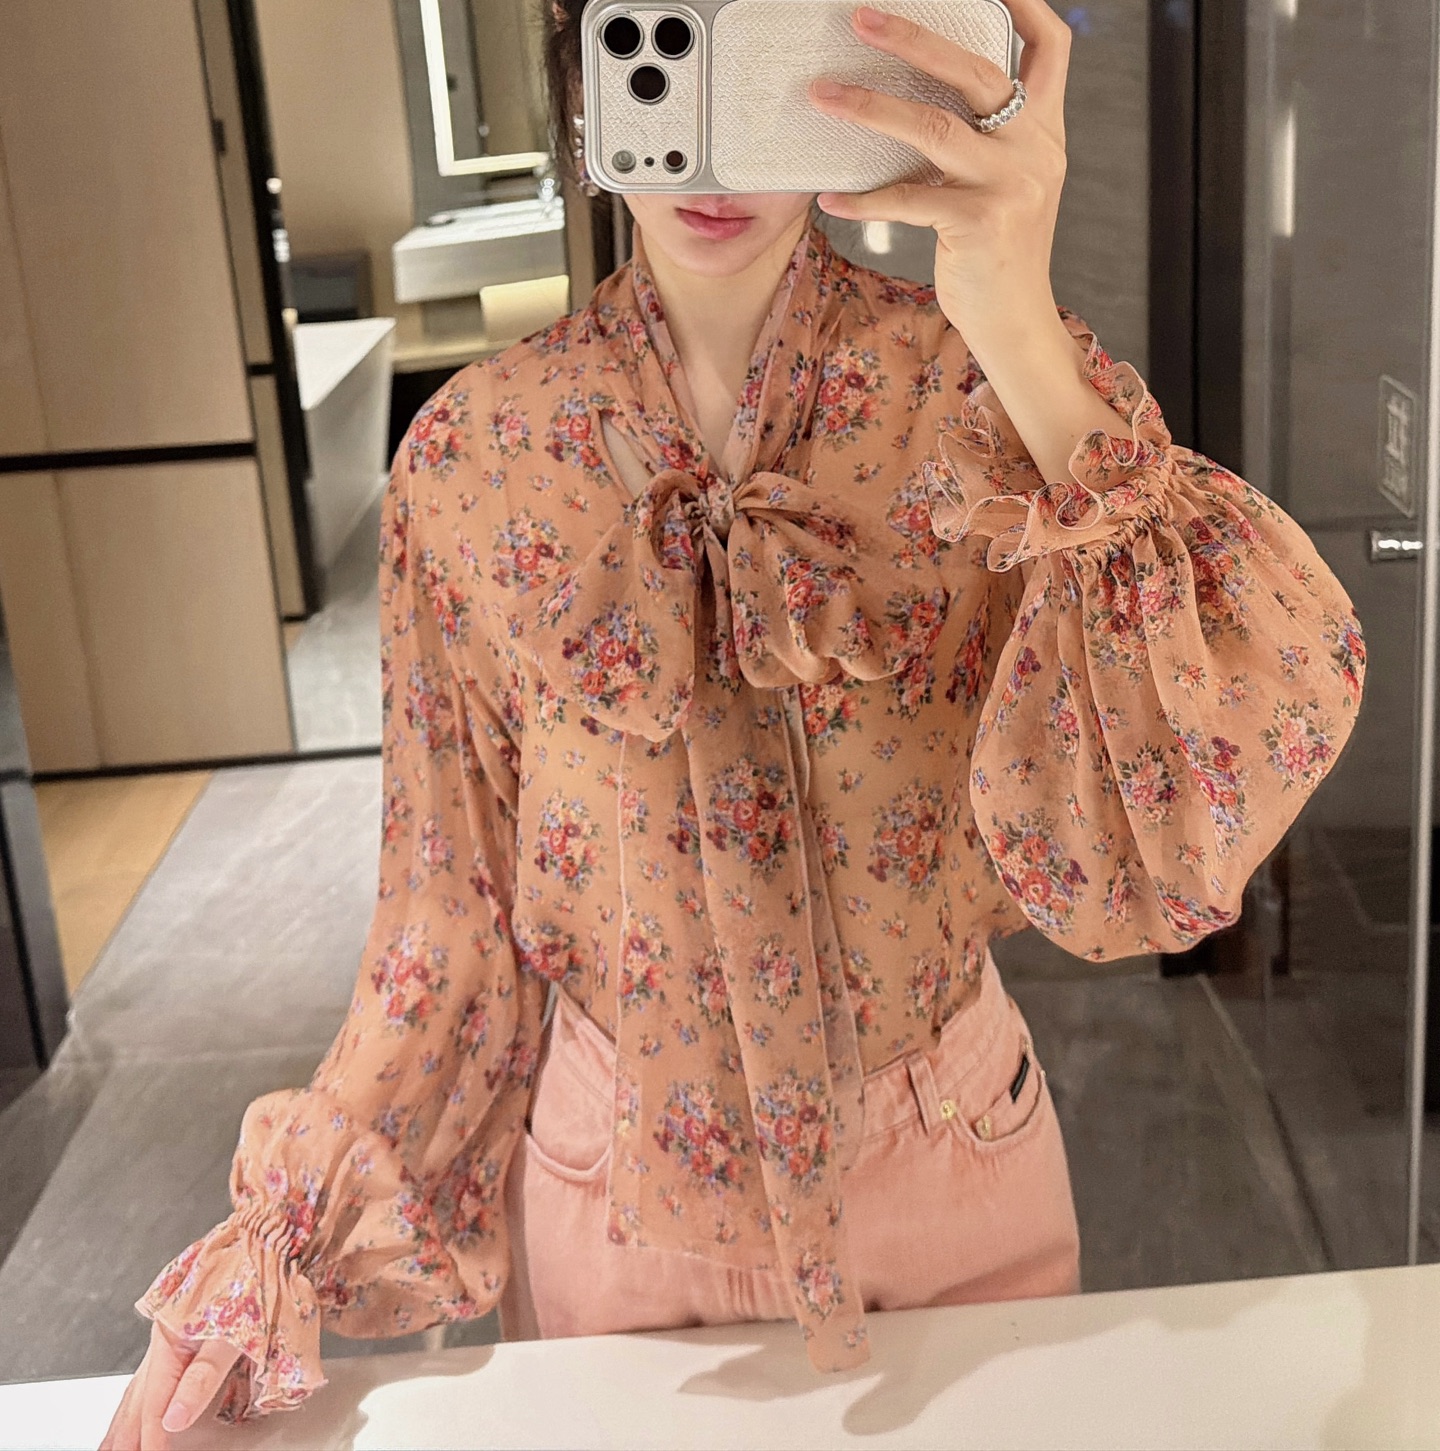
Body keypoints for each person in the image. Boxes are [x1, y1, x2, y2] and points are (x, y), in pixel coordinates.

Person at [100, 0, 1366, 1444]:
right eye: (667, 40)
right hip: (608, 1190)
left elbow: (1219, 739)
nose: (716, 150)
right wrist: (278, 1248)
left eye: (763, 48)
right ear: (585, 60)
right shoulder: (477, 455)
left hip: (949, 1160)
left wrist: (1014, 307)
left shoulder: (973, 387)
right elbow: (447, 914)